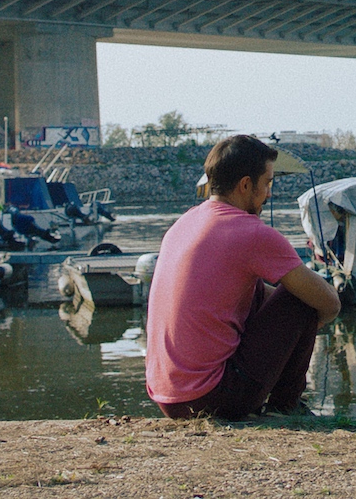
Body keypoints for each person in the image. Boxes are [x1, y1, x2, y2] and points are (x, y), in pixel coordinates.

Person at [146, 134, 341, 419]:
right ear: (246, 185)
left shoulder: (184, 223)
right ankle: (285, 407)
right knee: (304, 299)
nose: (269, 193)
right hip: (211, 398)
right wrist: (303, 326)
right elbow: (329, 303)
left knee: (260, 291)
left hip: (169, 398)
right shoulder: (251, 232)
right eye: (267, 183)